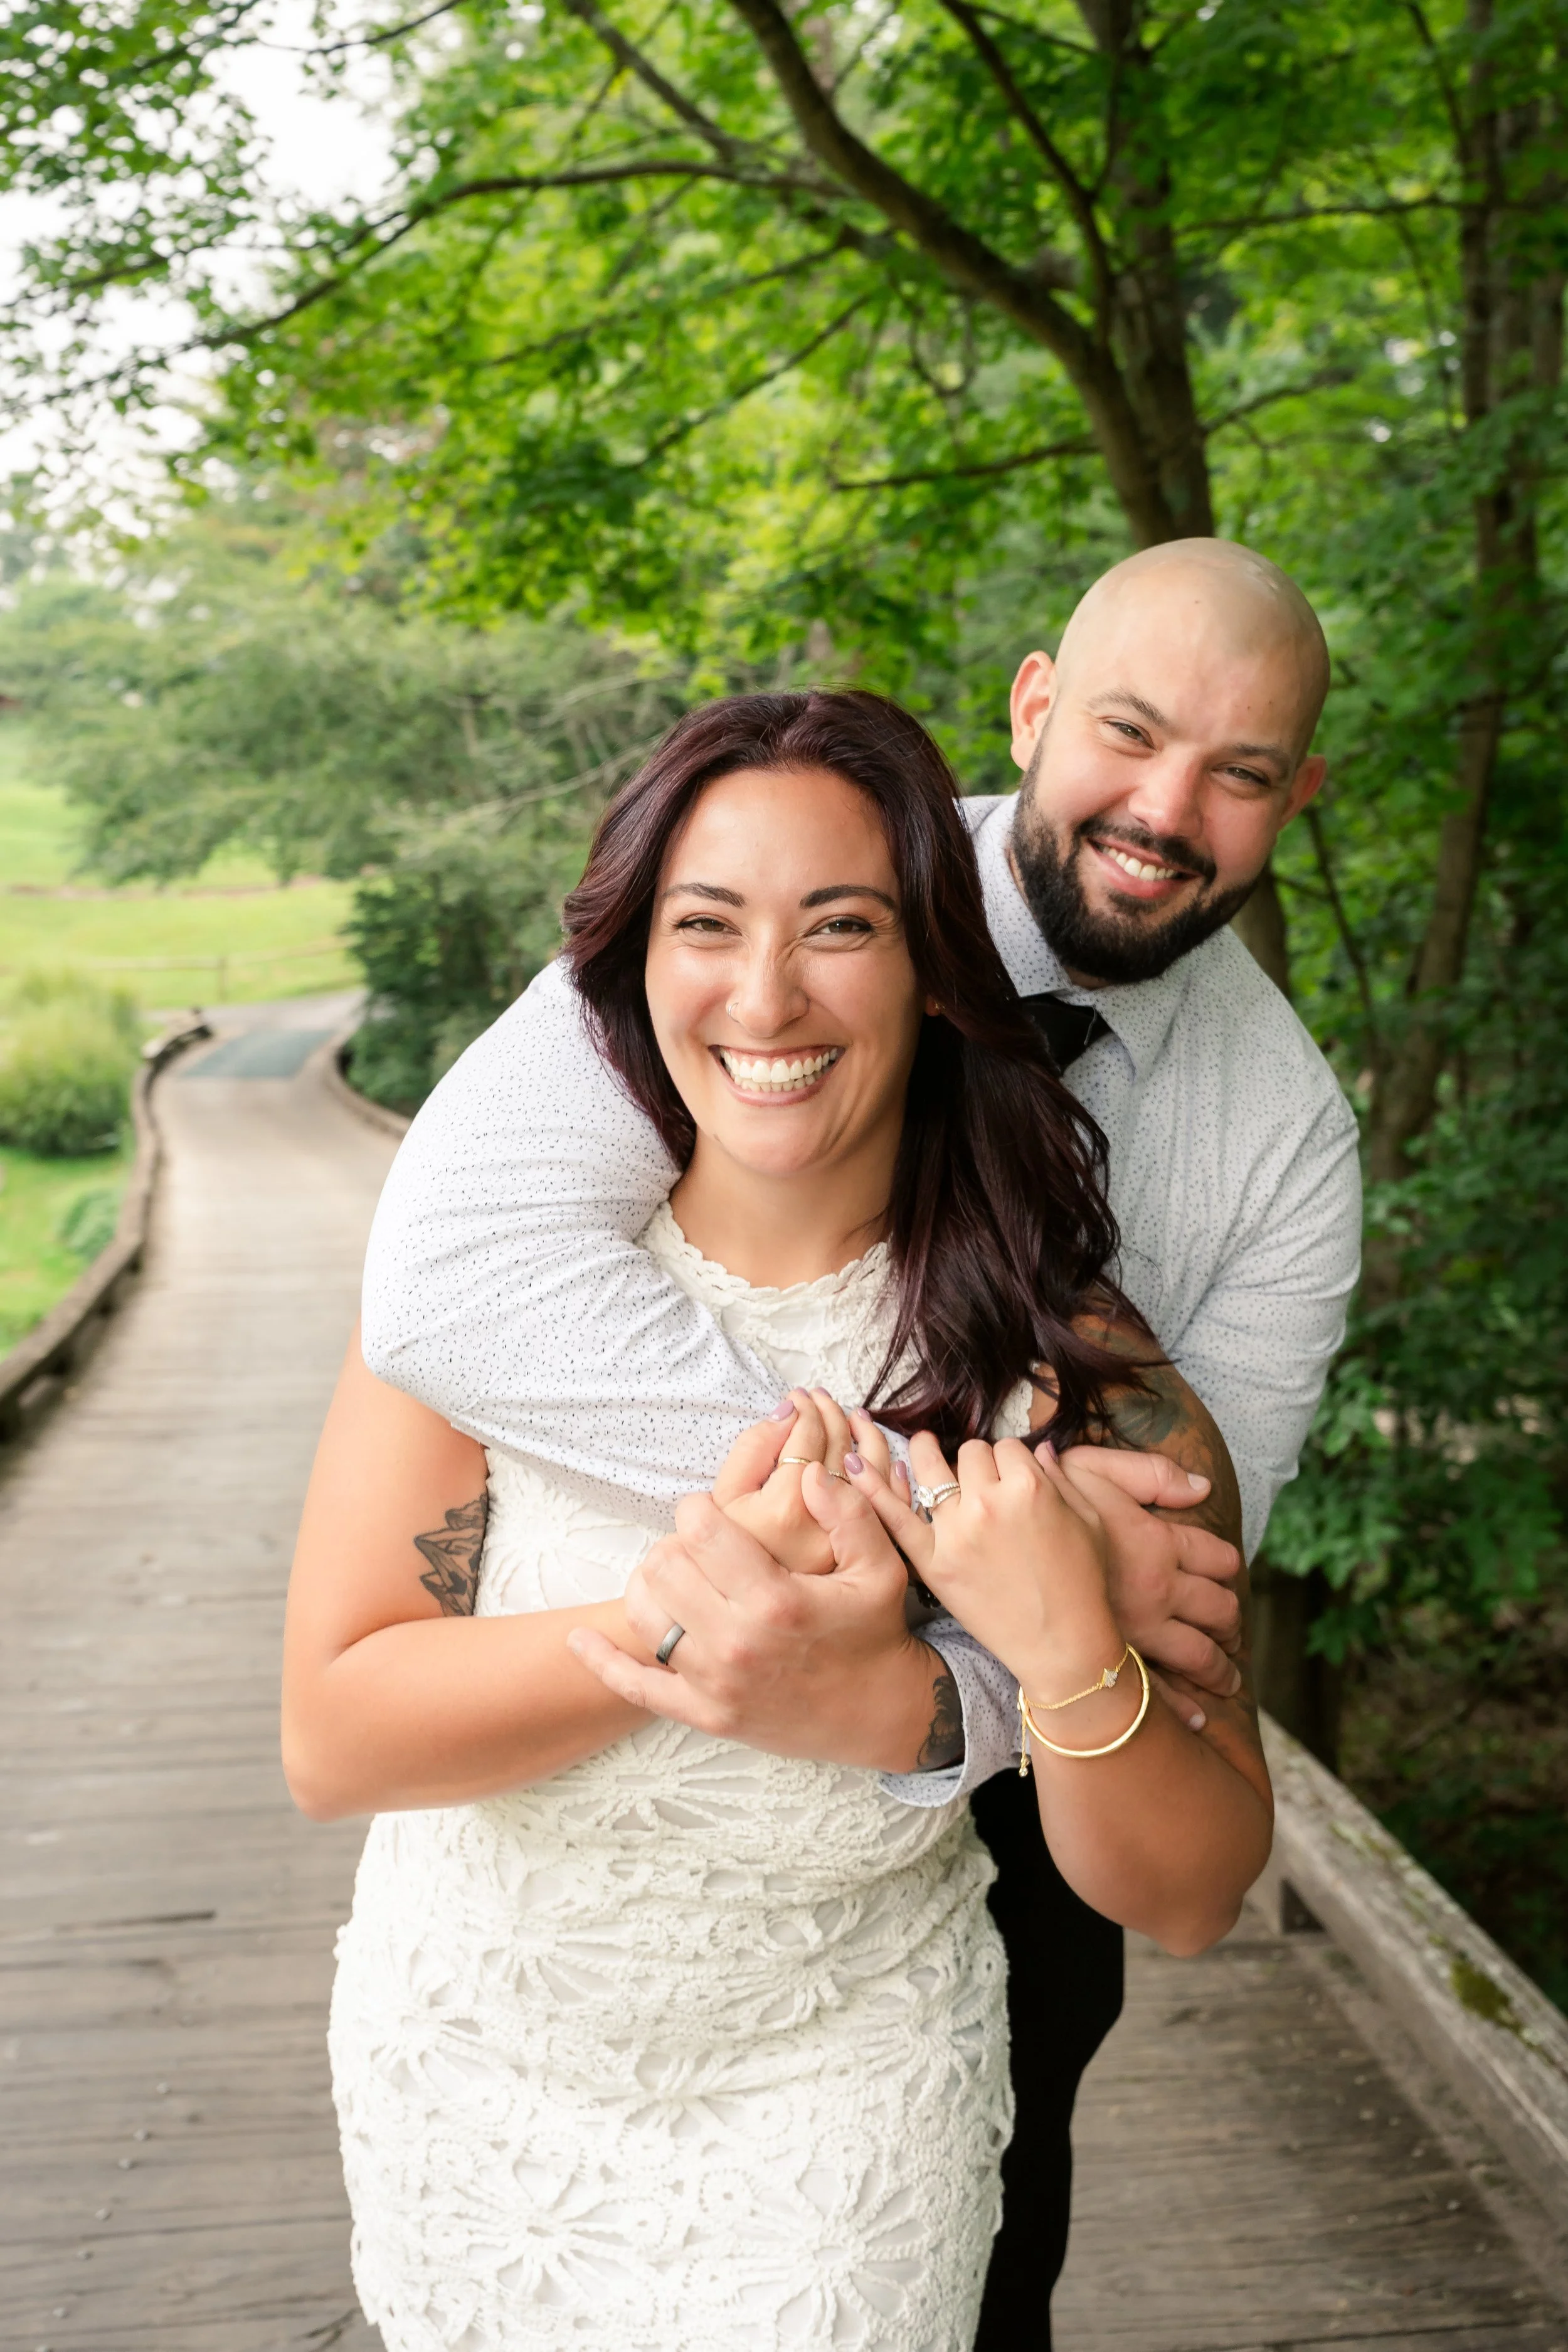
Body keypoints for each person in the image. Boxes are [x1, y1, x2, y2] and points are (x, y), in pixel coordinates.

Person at [359, 539, 1363, 2334]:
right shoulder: (773, 890)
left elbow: (1177, 1573)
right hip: (580, 1909)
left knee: (975, 2267)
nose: (1161, 808)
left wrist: (974, 1656)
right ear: (1035, 704)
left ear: (1298, 792)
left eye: (1235, 770)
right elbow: (445, 1279)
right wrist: (942, 1514)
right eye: (1128, 733)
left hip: (1009, 1829)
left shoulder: (1282, 1138)